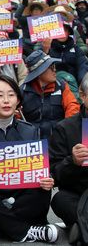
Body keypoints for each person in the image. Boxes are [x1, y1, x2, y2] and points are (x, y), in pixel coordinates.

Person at [0, 75, 57, 243]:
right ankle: (25, 231)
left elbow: (37, 168)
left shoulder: (29, 130)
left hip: (19, 191)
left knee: (42, 190)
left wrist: (47, 178)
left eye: (11, 95)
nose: (6, 100)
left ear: (18, 100)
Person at [50, 74, 88, 242]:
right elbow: (55, 176)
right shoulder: (64, 128)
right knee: (60, 200)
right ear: (83, 95)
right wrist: (72, 161)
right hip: (79, 194)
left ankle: (81, 227)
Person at [21, 50, 79, 140]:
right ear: (40, 73)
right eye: (51, 67)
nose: (55, 70)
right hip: (33, 144)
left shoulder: (62, 86)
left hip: (58, 140)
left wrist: (66, 130)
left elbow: (72, 107)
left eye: (54, 66)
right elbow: (17, 119)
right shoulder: (22, 91)